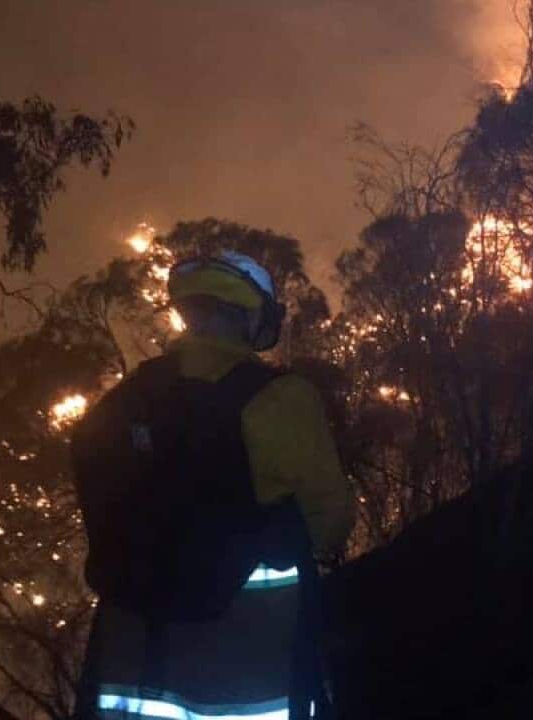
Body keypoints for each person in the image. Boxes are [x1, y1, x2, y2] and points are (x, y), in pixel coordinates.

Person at [71, 251, 355, 720]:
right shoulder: (279, 398)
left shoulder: (122, 402)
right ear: (253, 317)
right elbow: (330, 520)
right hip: (246, 657)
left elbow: (97, 505)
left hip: (133, 658)